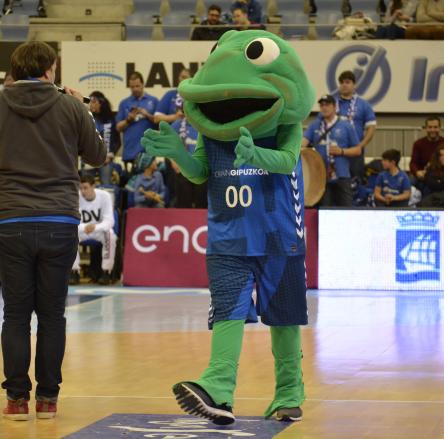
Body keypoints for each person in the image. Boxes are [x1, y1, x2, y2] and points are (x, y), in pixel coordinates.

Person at [141, 30, 315, 425]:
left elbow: (288, 160)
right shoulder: (212, 128)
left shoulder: (286, 121)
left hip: (280, 237)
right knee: (227, 314)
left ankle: (289, 393)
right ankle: (218, 390)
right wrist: (178, 155)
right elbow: (201, 172)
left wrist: (257, 153)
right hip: (227, 237)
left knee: (284, 319)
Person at [0, 41, 106, 421]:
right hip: (58, 222)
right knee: (52, 315)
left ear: (15, 69)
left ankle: (17, 400)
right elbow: (98, 156)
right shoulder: (71, 107)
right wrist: (84, 108)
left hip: (11, 222)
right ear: (50, 69)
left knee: (16, 315)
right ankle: (48, 401)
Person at [302, 94, 361, 207]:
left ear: (334, 107)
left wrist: (342, 151)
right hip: (321, 177)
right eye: (321, 105)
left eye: (327, 105)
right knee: (325, 210)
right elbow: (303, 143)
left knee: (346, 209)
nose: (324, 107)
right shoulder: (315, 125)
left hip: (342, 175)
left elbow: (358, 150)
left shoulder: (345, 125)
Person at [72, 174, 117, 284]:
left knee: (110, 235)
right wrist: (84, 227)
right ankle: (74, 271)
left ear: (93, 186)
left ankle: (106, 271)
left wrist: (95, 227)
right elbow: (72, 220)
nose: (83, 191)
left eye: (85, 188)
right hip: (82, 230)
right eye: (81, 188)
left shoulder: (105, 196)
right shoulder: (76, 197)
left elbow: (110, 220)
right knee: (69, 235)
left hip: (99, 230)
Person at [333, 71, 376, 179]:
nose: (344, 85)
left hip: (355, 150)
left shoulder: (363, 104)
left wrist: (361, 145)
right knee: (336, 181)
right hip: (336, 150)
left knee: (356, 180)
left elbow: (372, 127)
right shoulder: (332, 104)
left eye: (347, 82)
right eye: (342, 82)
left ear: (354, 85)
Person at [115, 72, 159, 171]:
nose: (135, 89)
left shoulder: (154, 101)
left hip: (148, 151)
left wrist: (147, 115)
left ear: (143, 84)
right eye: (132, 87)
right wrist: (128, 119)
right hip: (130, 152)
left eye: (137, 86)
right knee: (131, 184)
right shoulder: (124, 103)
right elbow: (118, 127)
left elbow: (160, 123)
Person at [170, 107, 207, 208]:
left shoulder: (205, 125)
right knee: (183, 204)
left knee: (201, 204)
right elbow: (168, 144)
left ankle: (202, 223)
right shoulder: (177, 125)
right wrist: (173, 161)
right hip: (182, 170)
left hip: (200, 170)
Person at [82, 91, 120, 185]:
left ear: (101, 103)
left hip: (106, 159)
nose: (91, 104)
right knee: (86, 185)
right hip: (88, 159)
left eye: (94, 101)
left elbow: (117, 142)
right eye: (89, 101)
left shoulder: (111, 119)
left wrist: (111, 155)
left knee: (106, 184)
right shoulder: (86, 117)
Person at [409, 116, 444, 181]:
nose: (432, 130)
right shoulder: (418, 143)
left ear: (439, 128)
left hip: (442, 176)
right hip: (422, 176)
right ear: (426, 128)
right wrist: (417, 172)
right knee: (409, 183)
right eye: (430, 127)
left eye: (435, 127)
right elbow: (413, 163)